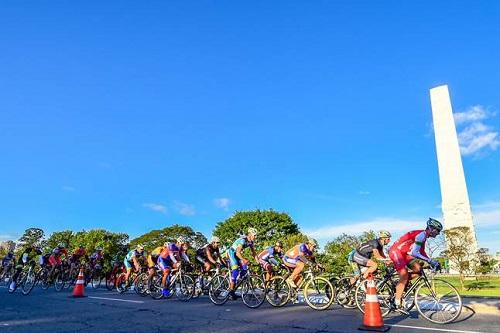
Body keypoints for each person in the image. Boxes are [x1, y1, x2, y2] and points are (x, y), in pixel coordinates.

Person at [389, 218, 443, 314]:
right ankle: (396, 303)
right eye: (437, 231)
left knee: (419, 270)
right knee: (404, 274)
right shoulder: (421, 235)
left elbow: (422, 252)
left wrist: (432, 261)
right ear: (431, 229)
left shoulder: (424, 237)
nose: (438, 233)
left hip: (405, 254)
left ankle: (401, 283)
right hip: (396, 251)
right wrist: (430, 261)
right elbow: (414, 252)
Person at [227, 228, 258, 300]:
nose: (256, 237)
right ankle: (231, 290)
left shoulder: (251, 242)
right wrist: (244, 259)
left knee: (244, 269)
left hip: (238, 255)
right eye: (255, 235)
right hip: (232, 253)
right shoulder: (243, 240)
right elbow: (237, 253)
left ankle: (236, 283)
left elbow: (254, 253)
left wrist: (258, 262)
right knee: (235, 270)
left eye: (256, 236)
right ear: (250, 235)